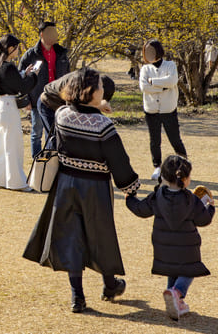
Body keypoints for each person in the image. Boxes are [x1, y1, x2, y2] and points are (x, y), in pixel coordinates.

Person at [23, 67, 140, 314]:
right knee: (101, 236)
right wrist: (131, 188)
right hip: (95, 188)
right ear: (90, 91)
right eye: (99, 86)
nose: (103, 90)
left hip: (65, 185)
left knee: (71, 239)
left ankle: (78, 297)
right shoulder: (103, 126)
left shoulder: (62, 115)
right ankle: (110, 286)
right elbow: (119, 162)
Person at [126, 155, 215, 321]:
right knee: (189, 270)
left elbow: (140, 210)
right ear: (186, 179)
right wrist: (211, 207)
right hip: (187, 247)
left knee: (174, 269)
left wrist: (129, 199)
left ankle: (174, 302)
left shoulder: (157, 196)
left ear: (164, 177)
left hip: (163, 248)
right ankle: (177, 293)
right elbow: (204, 220)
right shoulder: (191, 199)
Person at [0, 34, 37, 191]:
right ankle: (16, 182)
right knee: (13, 146)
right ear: (11, 48)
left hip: (1, 105)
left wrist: (24, 73)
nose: (18, 51)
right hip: (9, 106)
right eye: (17, 48)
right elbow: (21, 87)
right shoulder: (8, 66)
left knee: (2, 145)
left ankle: (1, 179)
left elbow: (13, 81)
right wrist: (33, 76)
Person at [138, 39, 187, 181]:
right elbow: (144, 88)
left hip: (168, 109)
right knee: (154, 140)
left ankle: (184, 164)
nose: (148, 54)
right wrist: (163, 86)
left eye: (151, 51)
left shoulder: (170, 65)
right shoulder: (145, 69)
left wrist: (153, 82)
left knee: (175, 138)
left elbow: (172, 81)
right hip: (151, 109)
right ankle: (157, 167)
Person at [20, 21, 70, 157]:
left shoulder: (61, 53)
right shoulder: (30, 55)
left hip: (58, 98)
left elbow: (68, 76)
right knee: (37, 132)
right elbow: (22, 79)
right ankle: (37, 158)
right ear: (42, 34)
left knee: (54, 131)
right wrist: (26, 101)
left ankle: (51, 156)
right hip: (37, 98)